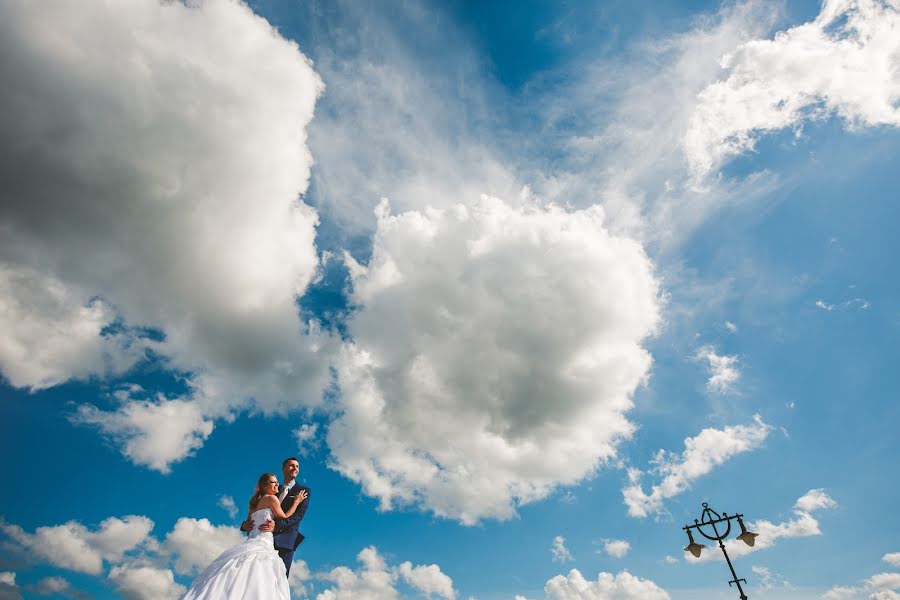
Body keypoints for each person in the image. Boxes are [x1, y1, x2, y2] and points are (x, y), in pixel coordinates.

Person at [182, 473, 308, 600]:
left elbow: (248, 529)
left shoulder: (253, 505)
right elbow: (285, 516)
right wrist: (296, 502)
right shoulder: (271, 499)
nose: (277, 484)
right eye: (273, 482)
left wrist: (246, 525)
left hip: (252, 541)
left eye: (276, 482)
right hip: (264, 542)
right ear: (265, 486)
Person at [241, 457, 311, 575]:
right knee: (257, 576)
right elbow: (256, 510)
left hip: (286, 541)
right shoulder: (272, 489)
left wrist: (276, 526)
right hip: (262, 539)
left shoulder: (303, 490)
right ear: (283, 468)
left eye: (297, 466)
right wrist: (244, 525)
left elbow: (298, 515)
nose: (295, 468)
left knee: (279, 578)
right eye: (292, 465)